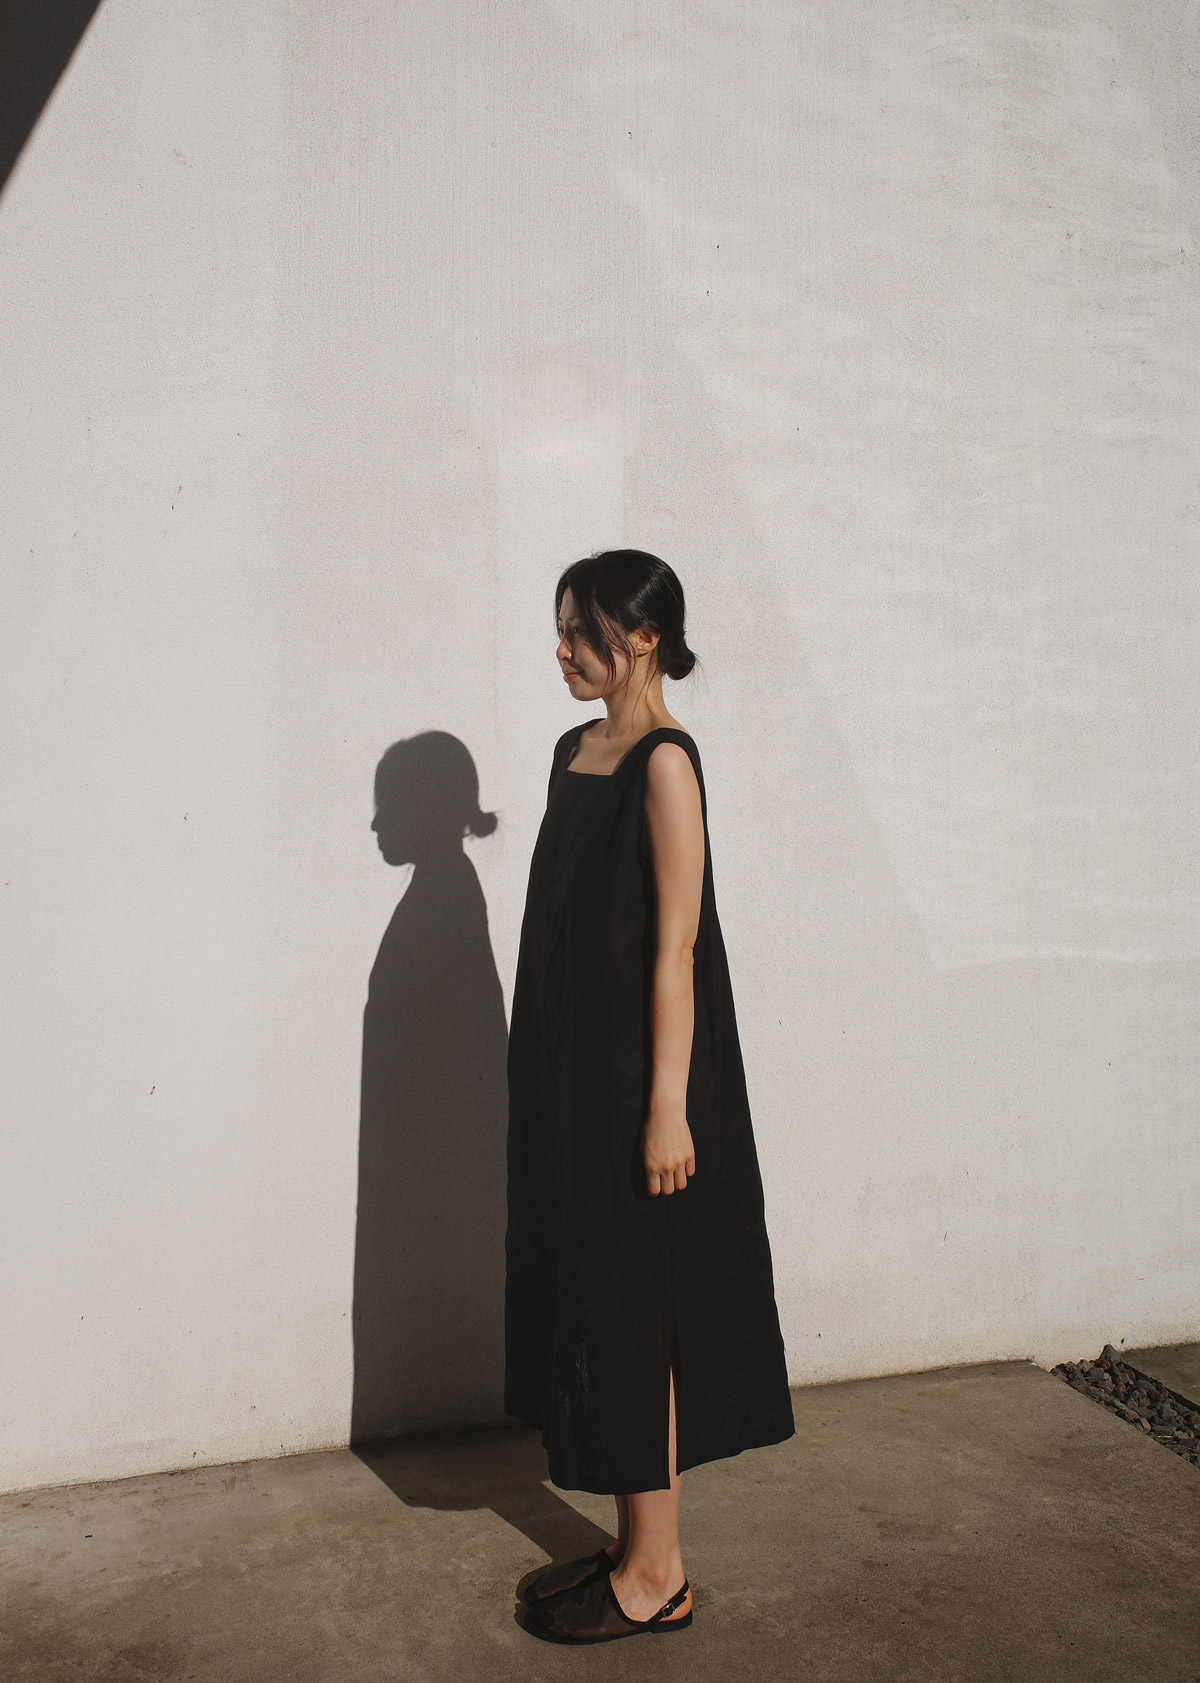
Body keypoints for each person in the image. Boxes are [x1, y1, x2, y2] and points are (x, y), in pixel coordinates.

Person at [505, 550, 795, 1646]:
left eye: (579, 632)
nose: (562, 651)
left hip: (644, 1085)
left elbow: (676, 946)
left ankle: (658, 1575)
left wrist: (667, 1108)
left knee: (640, 1317)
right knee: (596, 1304)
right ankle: (634, 1547)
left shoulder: (667, 763)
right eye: (560, 629)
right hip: (576, 1079)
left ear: (639, 638)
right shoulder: (574, 751)